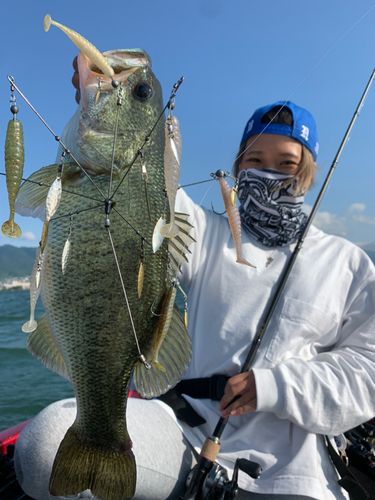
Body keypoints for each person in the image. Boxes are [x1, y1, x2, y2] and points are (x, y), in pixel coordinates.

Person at [14, 61, 375, 500]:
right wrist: (107, 107)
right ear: (238, 166)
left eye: (286, 163)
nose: (268, 172)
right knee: (44, 447)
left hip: (296, 469)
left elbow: (367, 372)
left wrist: (275, 386)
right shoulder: (203, 230)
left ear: (307, 172)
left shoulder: (347, 263)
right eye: (255, 159)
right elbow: (134, 189)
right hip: (186, 434)